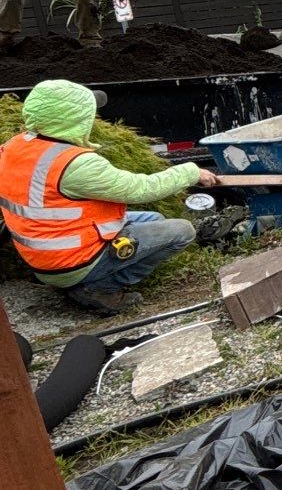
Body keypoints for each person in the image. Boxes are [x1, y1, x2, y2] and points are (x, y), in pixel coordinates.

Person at [0, 79, 217, 315]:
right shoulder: (74, 164)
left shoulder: (13, 147)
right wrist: (190, 172)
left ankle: (90, 278)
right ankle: (100, 288)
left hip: (46, 255)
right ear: (73, 119)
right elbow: (141, 189)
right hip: (72, 261)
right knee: (182, 231)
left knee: (155, 219)